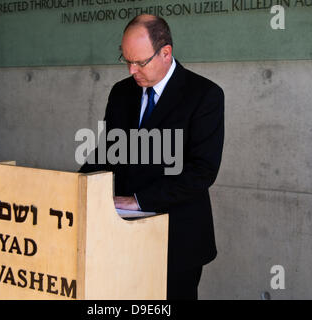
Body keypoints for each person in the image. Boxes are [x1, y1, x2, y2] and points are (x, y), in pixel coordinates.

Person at [79, 14, 224, 300]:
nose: (132, 70)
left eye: (140, 62)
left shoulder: (205, 94)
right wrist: (78, 187)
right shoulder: (121, 92)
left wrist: (138, 201)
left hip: (178, 240)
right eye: (126, 60)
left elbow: (202, 171)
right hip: (121, 234)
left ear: (166, 53)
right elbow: (108, 153)